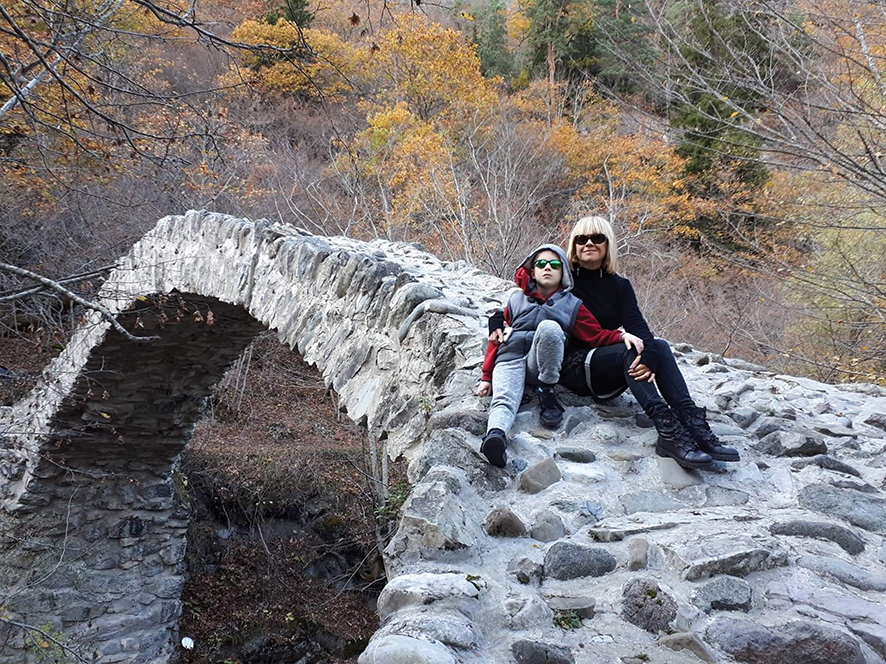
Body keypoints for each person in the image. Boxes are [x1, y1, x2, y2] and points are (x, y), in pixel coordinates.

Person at [477, 243, 644, 468]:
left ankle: (547, 391)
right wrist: (486, 376)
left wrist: (621, 336)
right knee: (504, 400)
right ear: (532, 270)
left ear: (563, 271)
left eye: (555, 264)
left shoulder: (572, 305)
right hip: (509, 359)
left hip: (540, 364)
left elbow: (595, 334)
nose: (548, 268)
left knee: (550, 328)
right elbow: (497, 338)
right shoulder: (515, 300)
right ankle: (495, 437)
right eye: (541, 264)